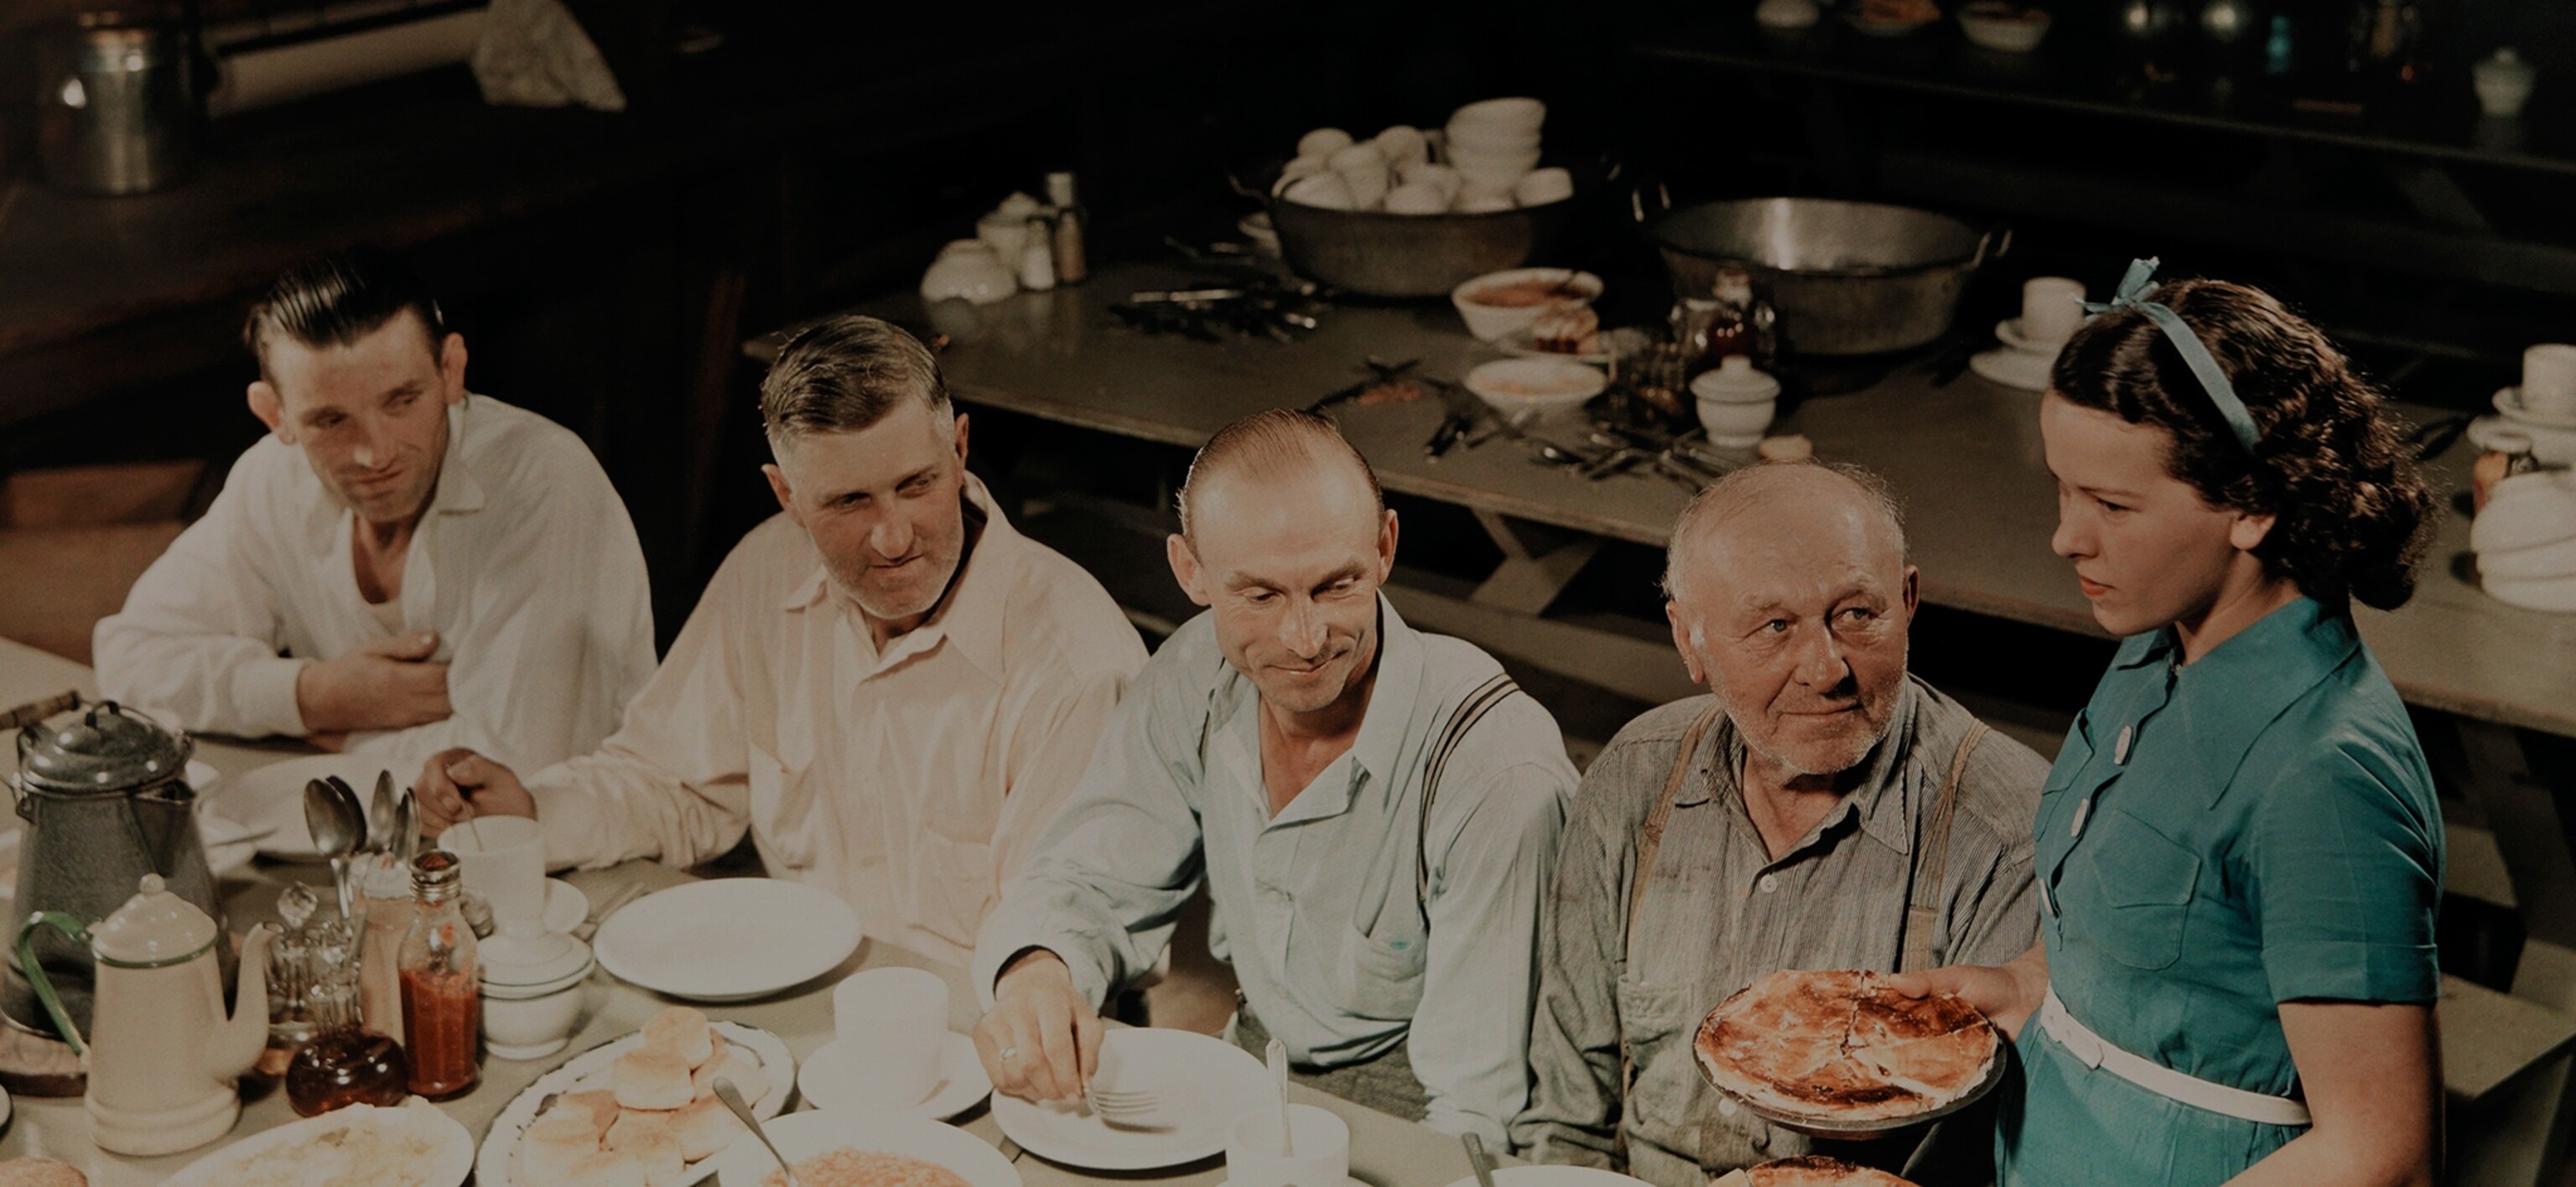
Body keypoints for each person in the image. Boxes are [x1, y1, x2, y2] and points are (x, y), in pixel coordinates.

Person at [1896, 261, 2444, 1187]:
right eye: (2064, 490)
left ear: (2254, 504)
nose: (2068, 537)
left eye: (2112, 505)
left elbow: (2377, 1147)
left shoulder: (2325, 772)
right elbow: (2164, 931)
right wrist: (2029, 985)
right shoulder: (2158, 647)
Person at [411, 314, 1147, 967]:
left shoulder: (1075, 661)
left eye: (916, 485)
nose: (892, 538)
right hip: (795, 995)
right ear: (787, 496)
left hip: (977, 1028)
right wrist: (529, 811)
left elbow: (1057, 941)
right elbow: (676, 785)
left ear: (959, 451)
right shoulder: (767, 569)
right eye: (849, 501)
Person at [971, 408, 1578, 1143]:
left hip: (1423, 1107)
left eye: (1334, 587)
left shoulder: (1496, 768)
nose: (1304, 640)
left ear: (1385, 547)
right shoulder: (1194, 673)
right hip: (1260, 1060)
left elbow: (1477, 1109)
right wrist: (1040, 966)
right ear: (1189, 572)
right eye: (1259, 596)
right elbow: (1093, 882)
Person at [1517, 461, 2048, 1184]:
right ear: (1690, 640)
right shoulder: (1637, 778)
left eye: (1858, 614)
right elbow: (1567, 1112)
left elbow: (2001, 1160)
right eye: (1774, 627)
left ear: (1910, 599)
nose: (1826, 668)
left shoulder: (2008, 828)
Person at [94, 247, 656, 778]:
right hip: (375, 842)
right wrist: (317, 695)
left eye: (402, 401)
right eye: (331, 421)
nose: (375, 453)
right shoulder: (270, 478)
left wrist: (332, 736)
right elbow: (130, 659)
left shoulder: (543, 481)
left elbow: (514, 770)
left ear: (451, 371)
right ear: (276, 415)